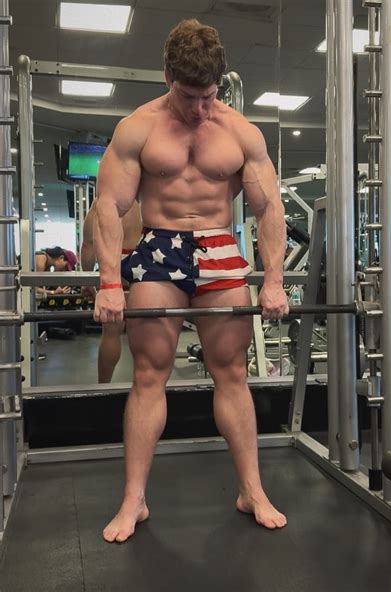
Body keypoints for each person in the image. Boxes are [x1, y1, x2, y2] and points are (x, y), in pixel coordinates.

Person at [93, 18, 289, 543]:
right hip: (158, 248)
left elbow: (269, 208)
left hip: (220, 247)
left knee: (233, 373)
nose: (199, 108)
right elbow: (109, 206)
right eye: (188, 96)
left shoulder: (241, 132)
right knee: (148, 375)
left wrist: (273, 280)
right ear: (167, 77)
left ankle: (251, 490)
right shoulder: (138, 128)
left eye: (208, 96)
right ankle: (134, 500)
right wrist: (109, 281)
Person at [81, 199, 142, 383]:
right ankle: (145, 386)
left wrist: (86, 281)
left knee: (111, 333)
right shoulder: (139, 203)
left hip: (115, 263)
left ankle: (103, 387)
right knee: (143, 332)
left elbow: (88, 245)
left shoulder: (101, 202)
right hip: (140, 265)